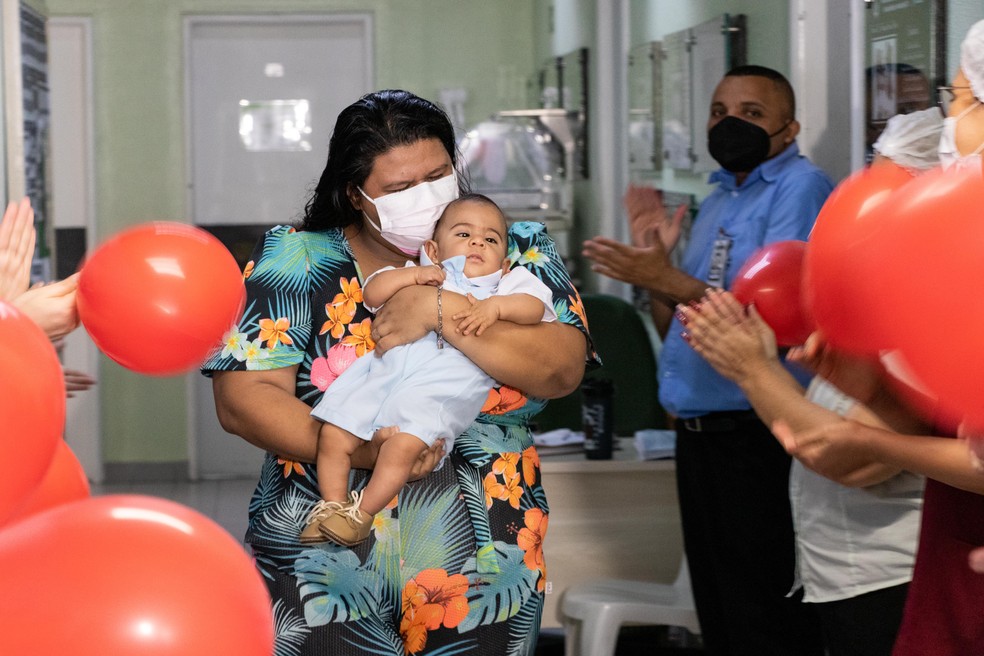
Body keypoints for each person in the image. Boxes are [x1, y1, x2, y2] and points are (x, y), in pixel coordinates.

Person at [203, 89, 593, 656]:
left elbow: (561, 368)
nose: (426, 199)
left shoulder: (515, 248)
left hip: (485, 559)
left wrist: (441, 312)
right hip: (324, 563)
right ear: (354, 195)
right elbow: (243, 399)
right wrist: (366, 453)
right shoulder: (297, 261)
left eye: (437, 177)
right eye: (400, 189)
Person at [583, 65, 833, 655]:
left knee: (765, 616)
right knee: (719, 613)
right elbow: (683, 325)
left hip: (759, 433)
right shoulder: (719, 196)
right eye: (720, 112)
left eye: (751, 113)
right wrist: (657, 274)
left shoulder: (800, 187)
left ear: (789, 127)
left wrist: (663, 275)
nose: (729, 124)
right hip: (700, 437)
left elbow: (774, 319)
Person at [773, 20, 984, 656]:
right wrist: (867, 387)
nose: (952, 125)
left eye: (967, 101)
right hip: (950, 561)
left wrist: (862, 430)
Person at [303, 194, 557, 546]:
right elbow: (373, 293)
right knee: (333, 433)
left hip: (439, 390)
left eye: (491, 239)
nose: (478, 242)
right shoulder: (420, 275)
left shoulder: (504, 286)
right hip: (383, 375)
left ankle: (360, 515)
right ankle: (331, 507)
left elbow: (534, 307)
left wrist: (496, 308)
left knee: (402, 448)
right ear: (434, 251)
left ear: (502, 264)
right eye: (464, 235)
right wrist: (417, 277)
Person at [680, 289, 923, 656]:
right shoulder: (870, 324)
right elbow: (819, 427)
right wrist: (762, 364)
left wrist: (753, 370)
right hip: (840, 573)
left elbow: (849, 460)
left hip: (892, 575)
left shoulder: (924, 335)